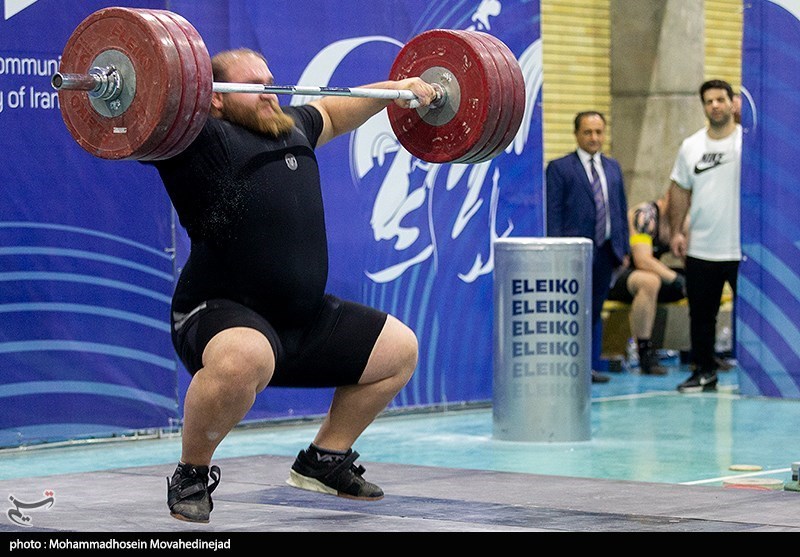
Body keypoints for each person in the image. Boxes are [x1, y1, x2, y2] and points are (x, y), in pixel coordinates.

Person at [149, 48, 438, 523]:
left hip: (303, 319)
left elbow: (334, 111)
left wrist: (396, 91)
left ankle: (324, 459)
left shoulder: (292, 125)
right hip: (219, 313)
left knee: (398, 350)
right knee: (247, 357)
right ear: (216, 97)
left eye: (271, 81)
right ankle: (191, 473)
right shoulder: (199, 141)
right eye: (254, 85)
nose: (270, 92)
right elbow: (144, 123)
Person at [668, 79, 741, 393]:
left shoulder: (747, 143)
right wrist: (676, 232)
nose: (715, 106)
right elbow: (679, 190)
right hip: (702, 248)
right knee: (701, 315)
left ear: (732, 102)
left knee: (753, 315)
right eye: (709, 101)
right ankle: (704, 371)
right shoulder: (691, 146)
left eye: (720, 99)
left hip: (741, 249)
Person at [546, 111, 630, 384]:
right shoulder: (560, 168)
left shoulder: (613, 167)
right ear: (576, 134)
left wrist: (624, 248)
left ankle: (590, 366)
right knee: (572, 310)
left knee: (594, 310)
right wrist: (556, 249)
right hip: (573, 254)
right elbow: (553, 213)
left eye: (598, 132)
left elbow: (620, 208)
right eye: (588, 132)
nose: (594, 137)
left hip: (606, 251)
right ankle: (570, 366)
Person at [607, 188, 688, 375]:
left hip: (645, 277)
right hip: (618, 275)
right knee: (650, 281)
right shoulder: (644, 216)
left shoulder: (682, 221)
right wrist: (677, 280)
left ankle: (702, 351)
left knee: (701, 282)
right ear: (669, 197)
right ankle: (644, 353)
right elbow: (642, 260)